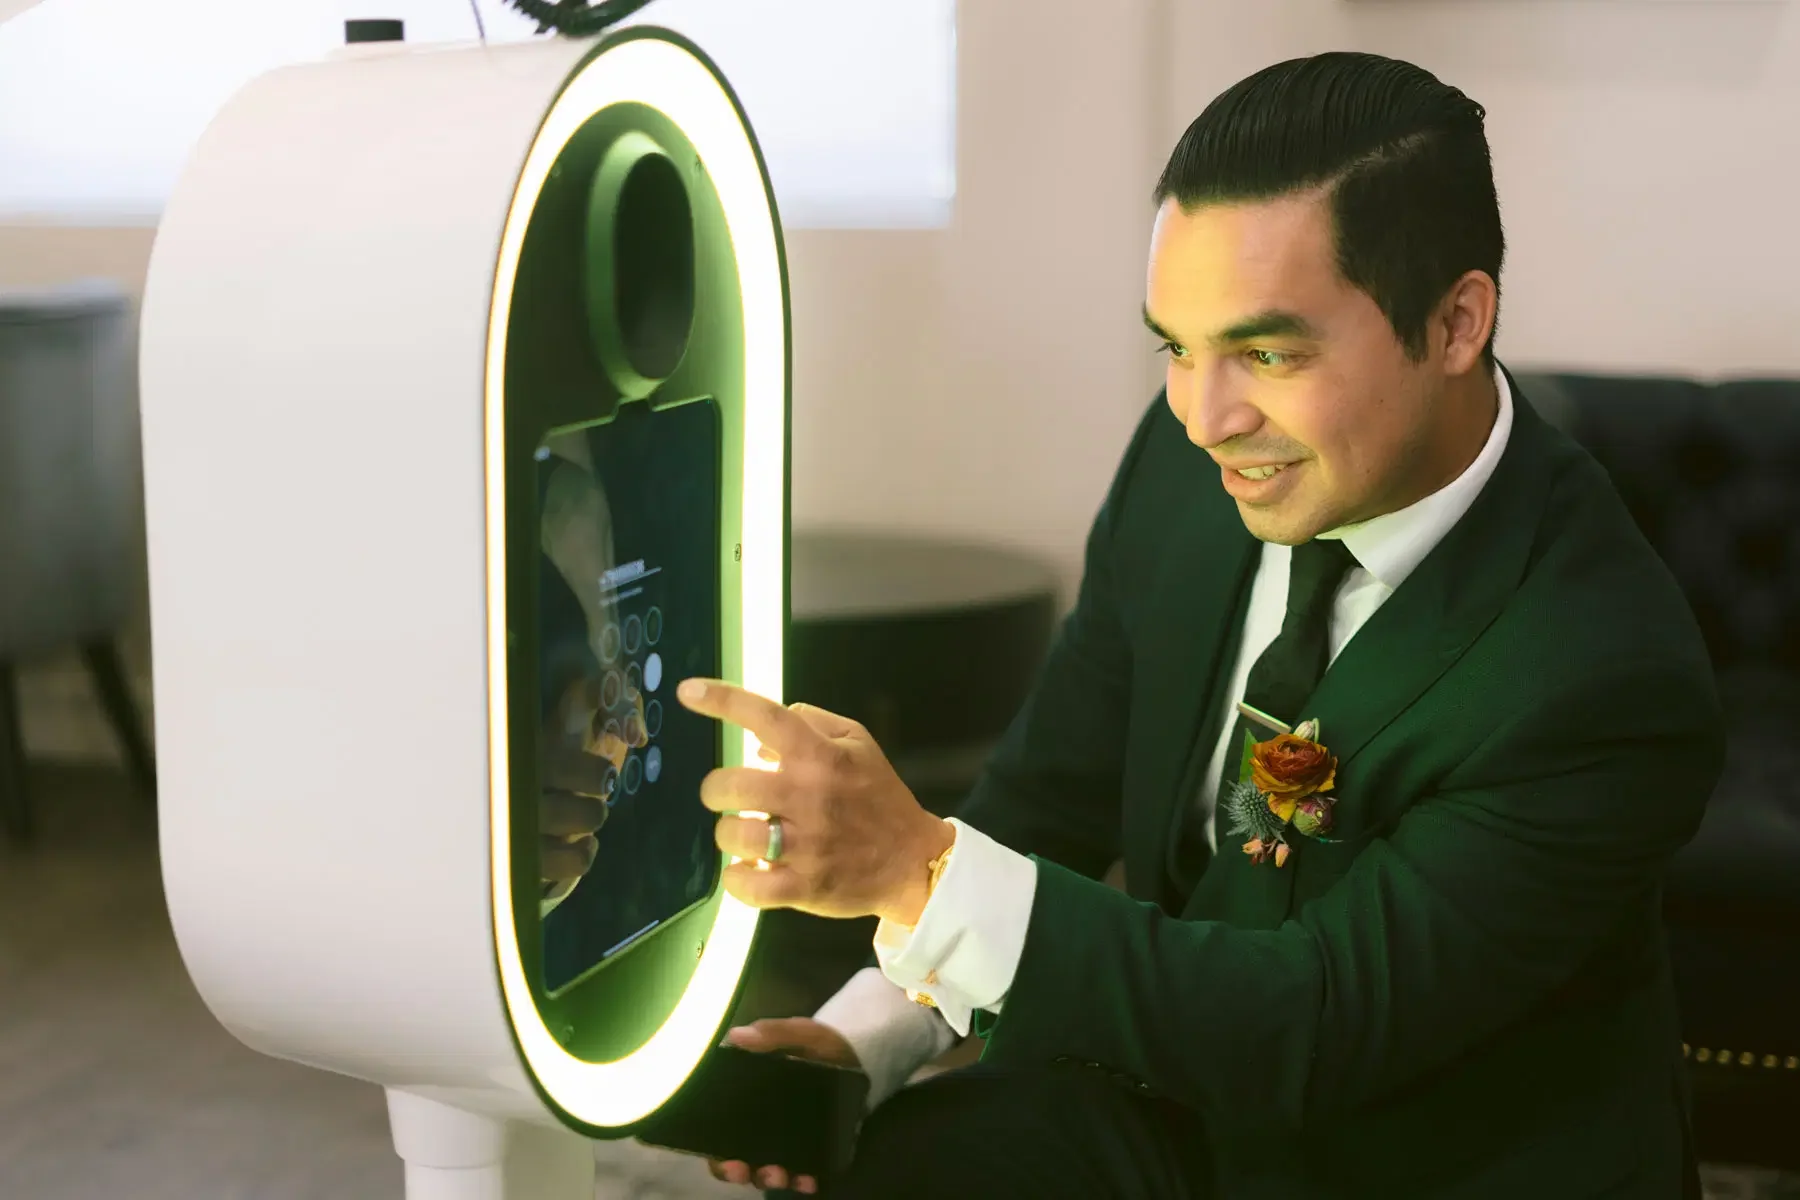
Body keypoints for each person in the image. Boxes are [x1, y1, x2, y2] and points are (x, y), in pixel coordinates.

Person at [678, 51, 1725, 1198]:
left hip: (1428, 1157)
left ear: (1458, 320)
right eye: (1177, 346)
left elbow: (1312, 1020)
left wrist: (915, 867)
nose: (1204, 415)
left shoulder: (1604, 669)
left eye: (1268, 353)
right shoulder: (1195, 477)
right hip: (1179, 1101)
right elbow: (1050, 798)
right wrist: (868, 1037)